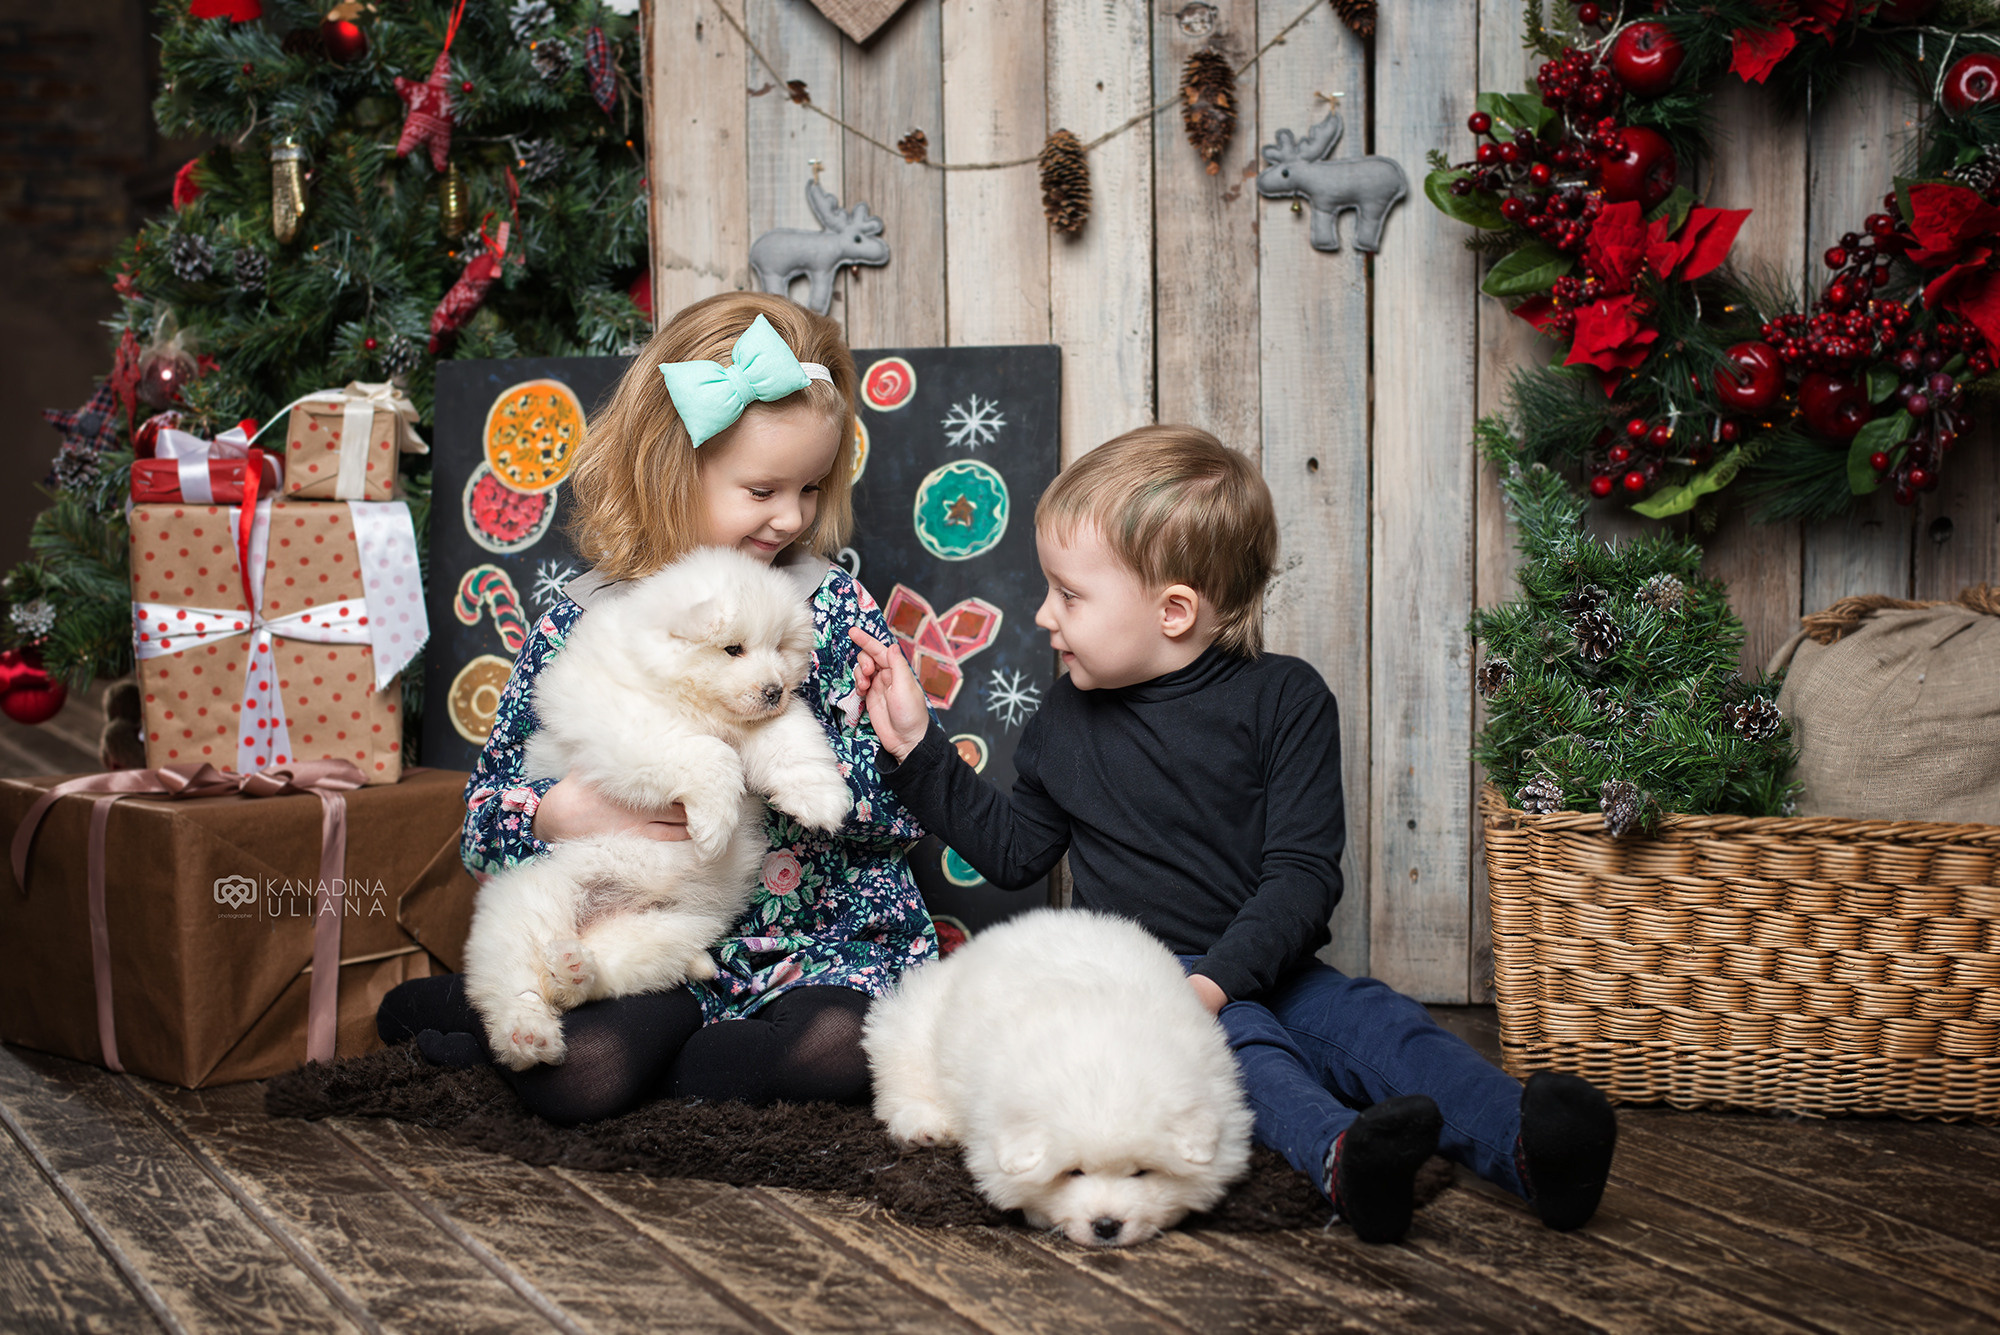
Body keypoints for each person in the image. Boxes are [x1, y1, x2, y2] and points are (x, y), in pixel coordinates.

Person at [849, 425, 1616, 1243]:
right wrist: (915, 748)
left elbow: (1302, 875)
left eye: (1069, 594)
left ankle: (1530, 1143)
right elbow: (1013, 852)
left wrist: (1220, 980)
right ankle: (1344, 1160)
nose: (1043, 615)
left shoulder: (1285, 701)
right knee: (1251, 1055)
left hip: (1274, 965)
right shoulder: (1063, 719)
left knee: (1381, 1023)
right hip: (1155, 980)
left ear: (1174, 609)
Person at [378, 293, 937, 1125]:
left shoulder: (831, 607)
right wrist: (561, 810)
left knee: (845, 1048)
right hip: (645, 940)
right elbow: (483, 827)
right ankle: (472, 1013)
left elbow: (888, 829)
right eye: (762, 489)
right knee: (586, 1072)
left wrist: (898, 750)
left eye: (811, 488)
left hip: (814, 946)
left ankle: (642, 1062)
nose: (792, 517)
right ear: (673, 466)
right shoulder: (581, 617)